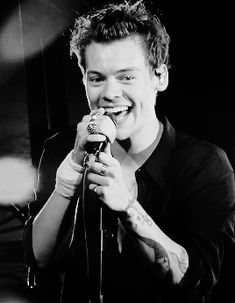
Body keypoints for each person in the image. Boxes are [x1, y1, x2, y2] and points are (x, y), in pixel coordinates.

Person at [24, 1, 235, 302]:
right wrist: (66, 183)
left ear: (159, 77)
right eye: (97, 78)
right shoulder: (61, 148)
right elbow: (40, 261)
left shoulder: (205, 164)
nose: (109, 94)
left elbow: (196, 282)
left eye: (126, 76)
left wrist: (128, 207)